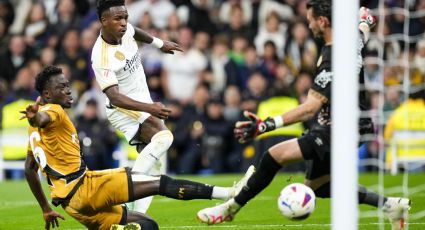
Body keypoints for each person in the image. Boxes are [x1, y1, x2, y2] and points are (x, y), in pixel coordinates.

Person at [196, 2, 411, 229]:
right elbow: (362, 33)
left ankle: (230, 209)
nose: (308, 24)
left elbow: (310, 108)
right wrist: (364, 22)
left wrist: (267, 124)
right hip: (350, 125)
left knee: (272, 155)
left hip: (337, 129)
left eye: (310, 19)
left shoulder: (333, 58)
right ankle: (390, 205)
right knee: (318, 186)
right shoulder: (350, 41)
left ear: (322, 21)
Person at [22, 66, 253, 230]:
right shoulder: (54, 111)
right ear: (47, 94)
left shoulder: (33, 132)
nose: (68, 90)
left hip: (71, 205)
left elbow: (29, 168)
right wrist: (36, 117)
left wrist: (45, 208)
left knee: (147, 225)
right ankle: (230, 193)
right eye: (62, 87)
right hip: (85, 188)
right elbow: (43, 119)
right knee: (161, 183)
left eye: (68, 85)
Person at [91, 0, 182, 213]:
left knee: (156, 165)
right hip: (123, 108)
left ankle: (135, 216)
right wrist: (150, 108)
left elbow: (136, 32)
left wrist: (160, 44)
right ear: (103, 21)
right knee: (165, 138)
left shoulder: (124, 31)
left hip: (141, 103)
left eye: (125, 17)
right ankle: (125, 193)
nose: (124, 23)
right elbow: (114, 97)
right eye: (118, 19)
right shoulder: (101, 56)